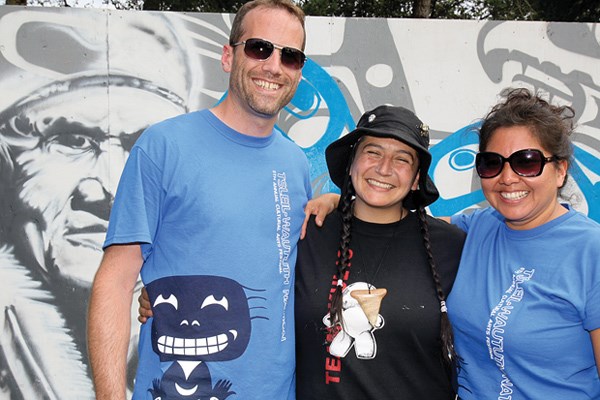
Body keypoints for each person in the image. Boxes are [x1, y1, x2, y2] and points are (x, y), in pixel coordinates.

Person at [138, 105, 466, 398]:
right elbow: (243, 270)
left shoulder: (450, 247)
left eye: (402, 159)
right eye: (373, 152)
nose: (383, 168)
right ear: (351, 163)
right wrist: (175, 293)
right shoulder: (308, 231)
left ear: (416, 179)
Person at [86, 1, 311, 399]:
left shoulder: (296, 164)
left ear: (298, 71)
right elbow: (116, 280)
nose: (274, 66)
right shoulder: (164, 146)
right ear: (229, 55)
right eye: (260, 48)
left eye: (290, 56)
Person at [445, 88, 600, 399]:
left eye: (526, 162)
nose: (507, 177)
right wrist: (340, 203)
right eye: (492, 163)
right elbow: (398, 224)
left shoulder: (591, 251)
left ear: (560, 170)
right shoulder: (474, 227)